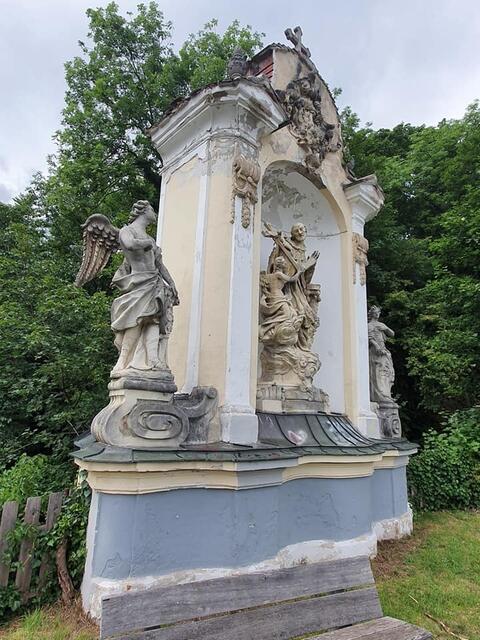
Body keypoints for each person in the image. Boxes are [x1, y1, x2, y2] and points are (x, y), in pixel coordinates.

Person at [110, 201, 178, 376]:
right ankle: (123, 360)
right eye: (152, 210)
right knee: (136, 320)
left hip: (153, 282)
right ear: (143, 211)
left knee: (153, 319)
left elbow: (160, 265)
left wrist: (171, 283)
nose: (154, 213)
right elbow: (129, 244)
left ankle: (153, 359)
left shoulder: (151, 239)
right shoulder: (127, 231)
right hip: (138, 282)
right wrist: (145, 243)